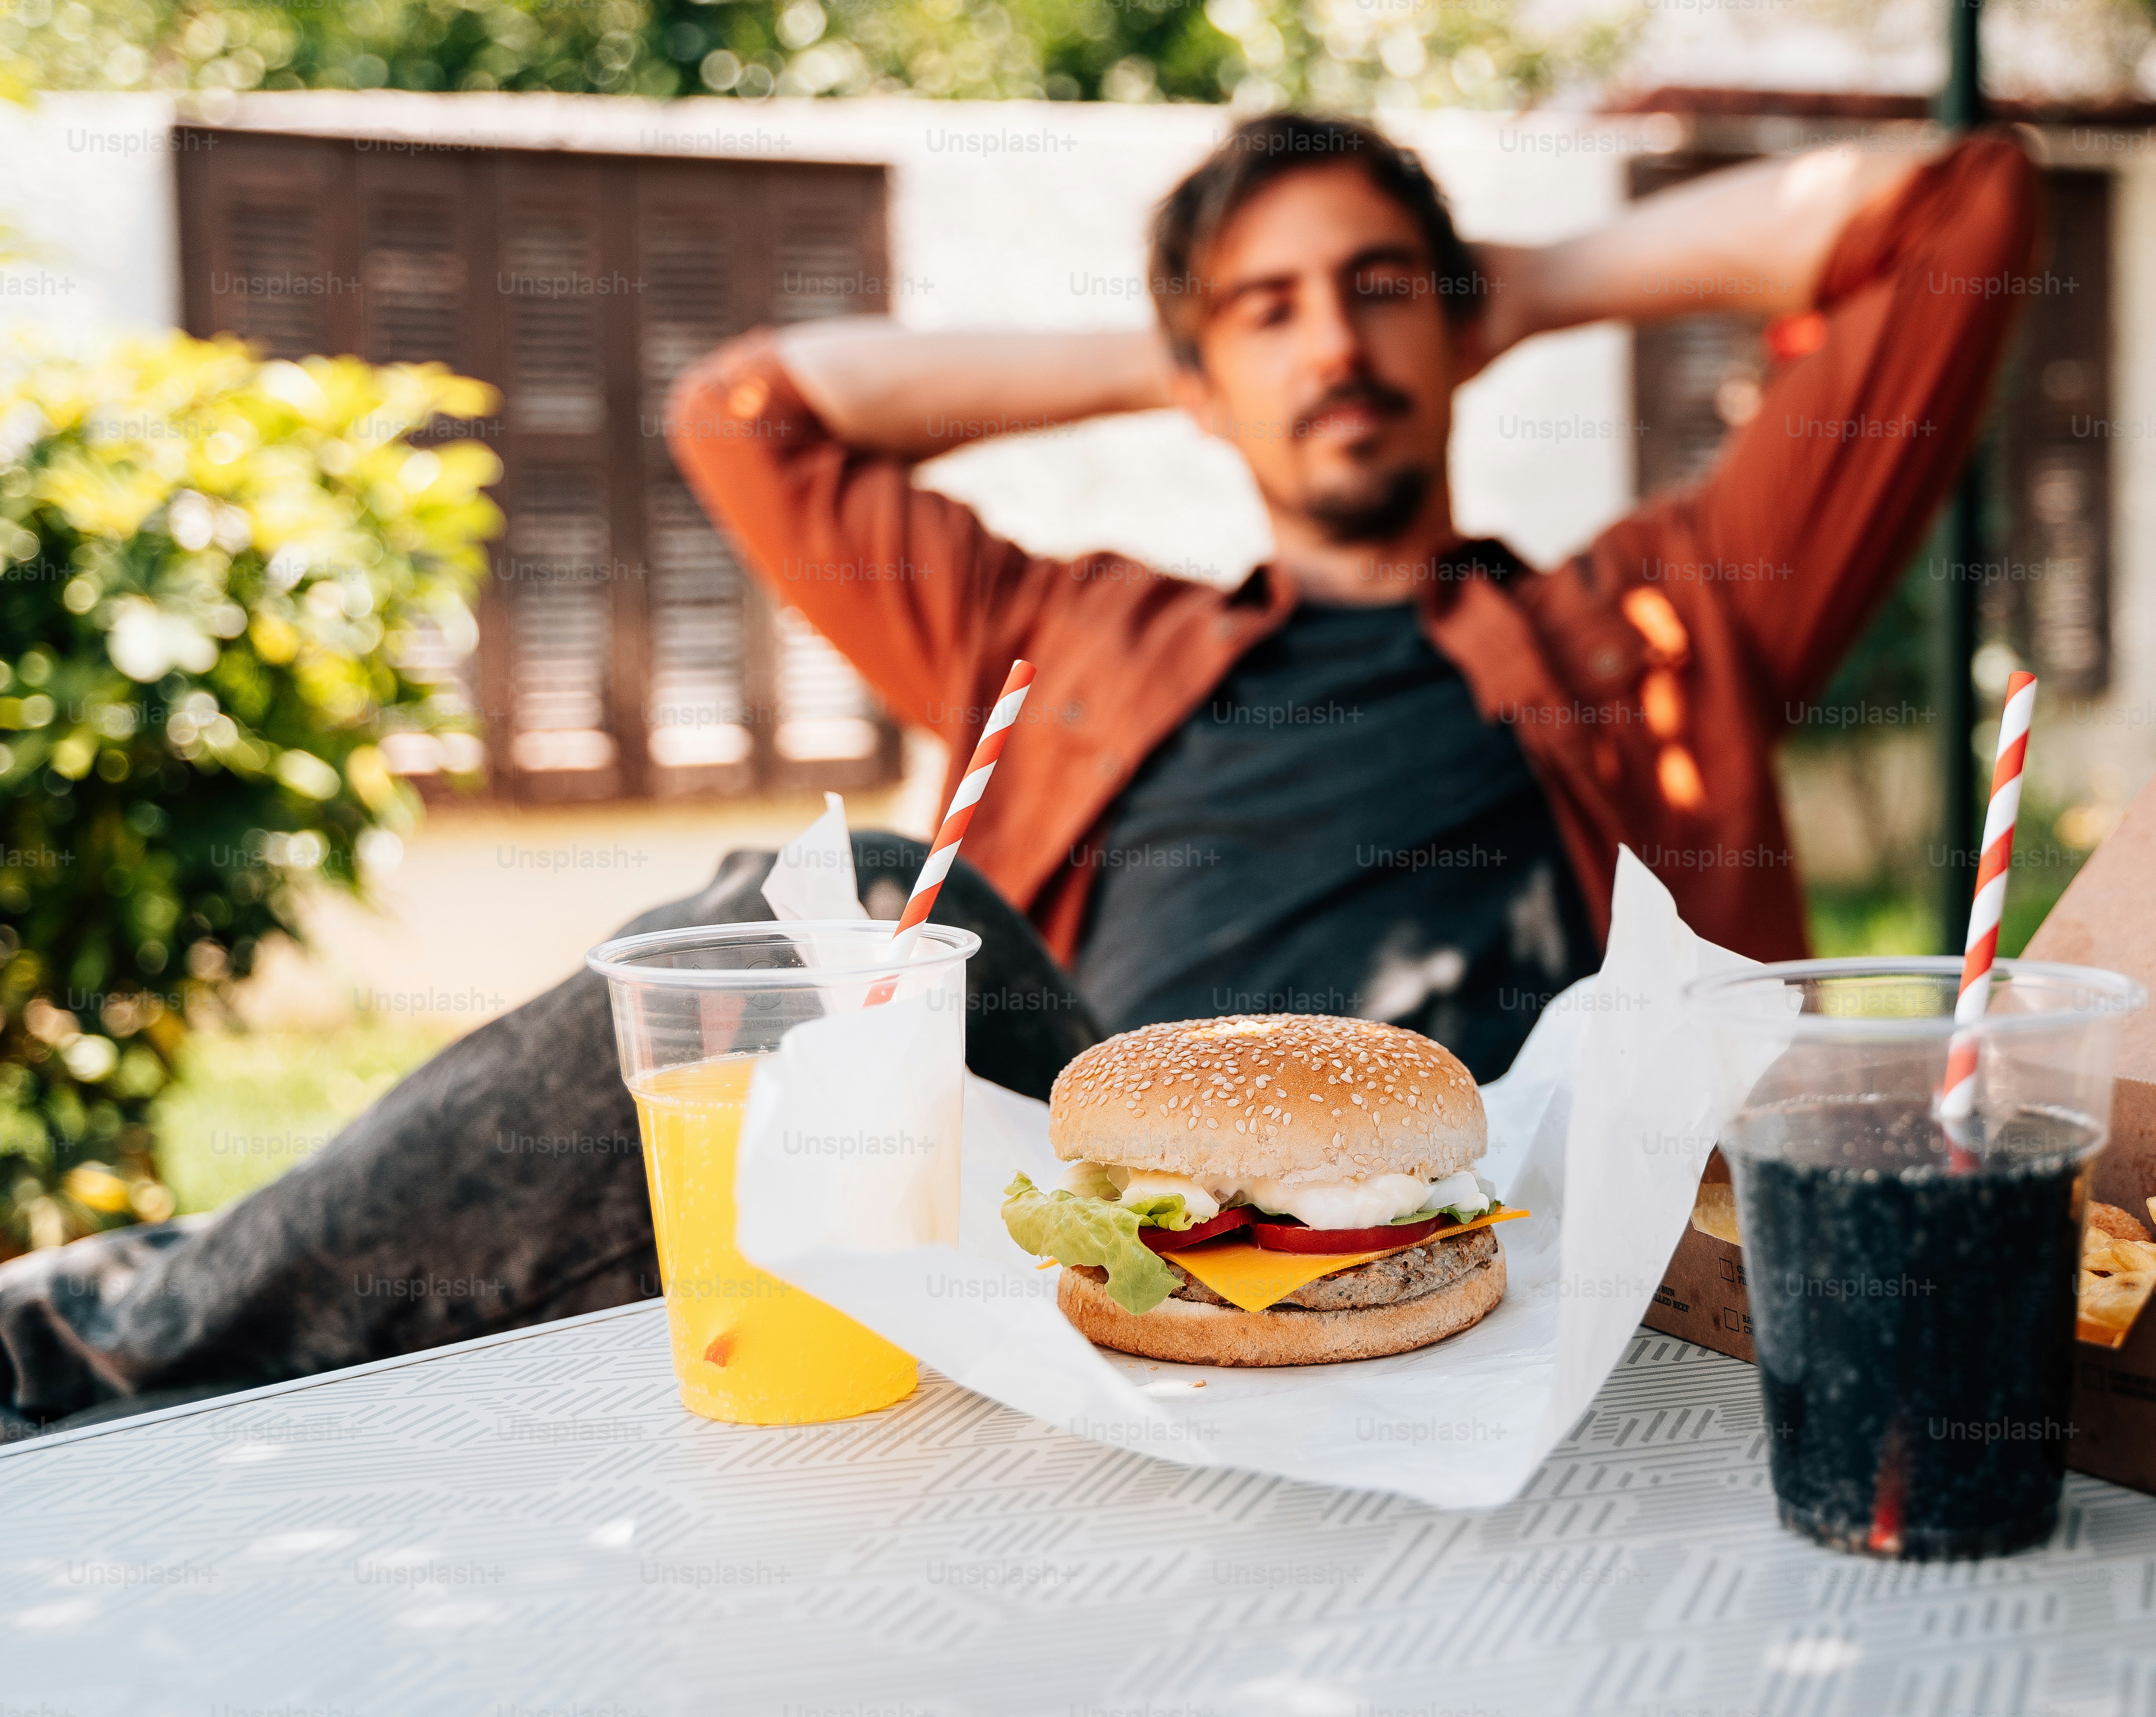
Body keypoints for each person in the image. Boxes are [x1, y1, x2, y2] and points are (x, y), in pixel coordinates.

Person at [0, 115, 2037, 1436]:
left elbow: (1956, 210)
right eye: (1266, 311)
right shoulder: (1065, 632)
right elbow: (750, 414)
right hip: (1092, 1225)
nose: (1331, 343)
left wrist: (1520, 288)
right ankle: (97, 1345)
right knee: (856, 897)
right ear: (1195, 370)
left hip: (1524, 1207)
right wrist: (1184, 350)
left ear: (1466, 329)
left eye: (1377, 294)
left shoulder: (1664, 612)